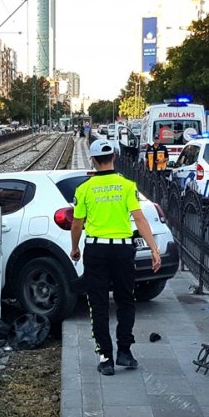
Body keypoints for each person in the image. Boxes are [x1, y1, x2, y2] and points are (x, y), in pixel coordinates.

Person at [70, 138, 162, 377]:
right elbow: (139, 219)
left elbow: (77, 223)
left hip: (96, 251)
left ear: (93, 159)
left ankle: (106, 358)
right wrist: (153, 248)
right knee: (125, 300)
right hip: (123, 251)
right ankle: (125, 352)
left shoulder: (84, 189)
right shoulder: (127, 185)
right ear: (114, 157)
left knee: (98, 305)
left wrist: (75, 248)